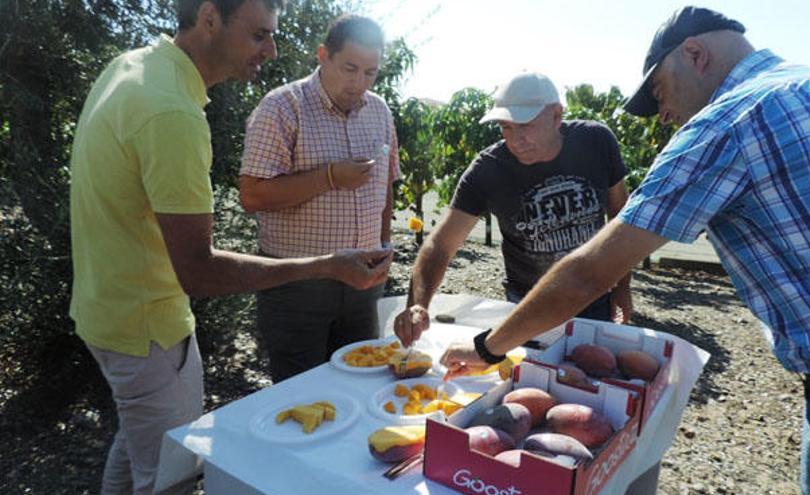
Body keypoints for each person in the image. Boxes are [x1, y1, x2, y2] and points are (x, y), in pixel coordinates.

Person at [440, 6, 810, 495]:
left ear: (694, 54)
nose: (664, 114)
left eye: (660, 92)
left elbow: (590, 271)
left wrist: (486, 347)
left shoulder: (728, 122)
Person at [69, 1, 391, 493]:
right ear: (209, 18)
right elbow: (199, 271)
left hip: (112, 307)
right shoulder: (171, 110)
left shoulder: (134, 67)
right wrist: (324, 262)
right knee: (169, 474)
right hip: (147, 324)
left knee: (139, 446)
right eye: (259, 34)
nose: (272, 49)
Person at [394, 72, 631, 348]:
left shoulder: (596, 142)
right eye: (506, 127)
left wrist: (622, 287)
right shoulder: (489, 169)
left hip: (594, 295)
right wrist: (418, 304)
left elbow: (621, 217)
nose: (515, 139)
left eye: (525, 125)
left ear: (557, 116)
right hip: (528, 307)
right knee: (531, 381)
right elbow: (440, 245)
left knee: (592, 378)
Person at [238, 14, 398, 382]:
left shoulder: (380, 111)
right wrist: (329, 177)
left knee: (359, 386)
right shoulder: (281, 107)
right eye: (350, 68)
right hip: (296, 288)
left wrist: (384, 244)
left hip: (364, 285)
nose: (359, 83)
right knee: (302, 395)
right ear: (323, 55)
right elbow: (252, 194)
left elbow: (385, 186)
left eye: (370, 72)